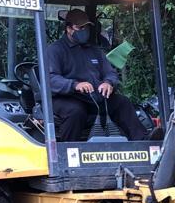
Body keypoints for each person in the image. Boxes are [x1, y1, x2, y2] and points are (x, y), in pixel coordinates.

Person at [44, 9, 150, 141]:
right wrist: (75, 85)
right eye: (80, 27)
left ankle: (144, 142)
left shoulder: (94, 51)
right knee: (76, 112)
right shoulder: (55, 50)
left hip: (94, 97)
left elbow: (110, 73)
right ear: (69, 29)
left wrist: (108, 83)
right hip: (66, 97)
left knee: (122, 103)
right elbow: (50, 78)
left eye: (86, 27)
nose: (84, 31)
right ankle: (67, 150)